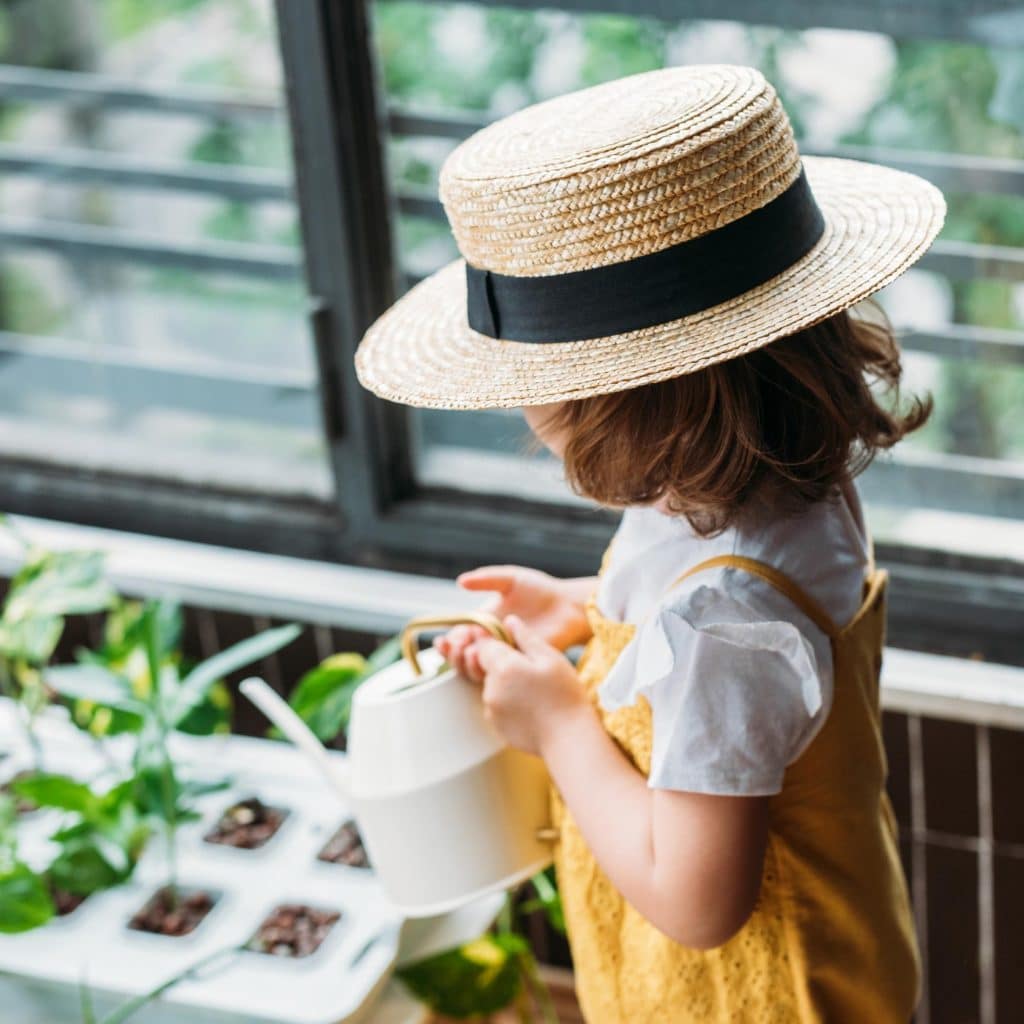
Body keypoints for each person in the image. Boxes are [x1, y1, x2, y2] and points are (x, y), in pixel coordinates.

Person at [354, 64, 945, 1023]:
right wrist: (588, 611)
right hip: (843, 948)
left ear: (624, 407)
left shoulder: (726, 626)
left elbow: (695, 900)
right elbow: (747, 652)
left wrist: (559, 727)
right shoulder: (777, 475)